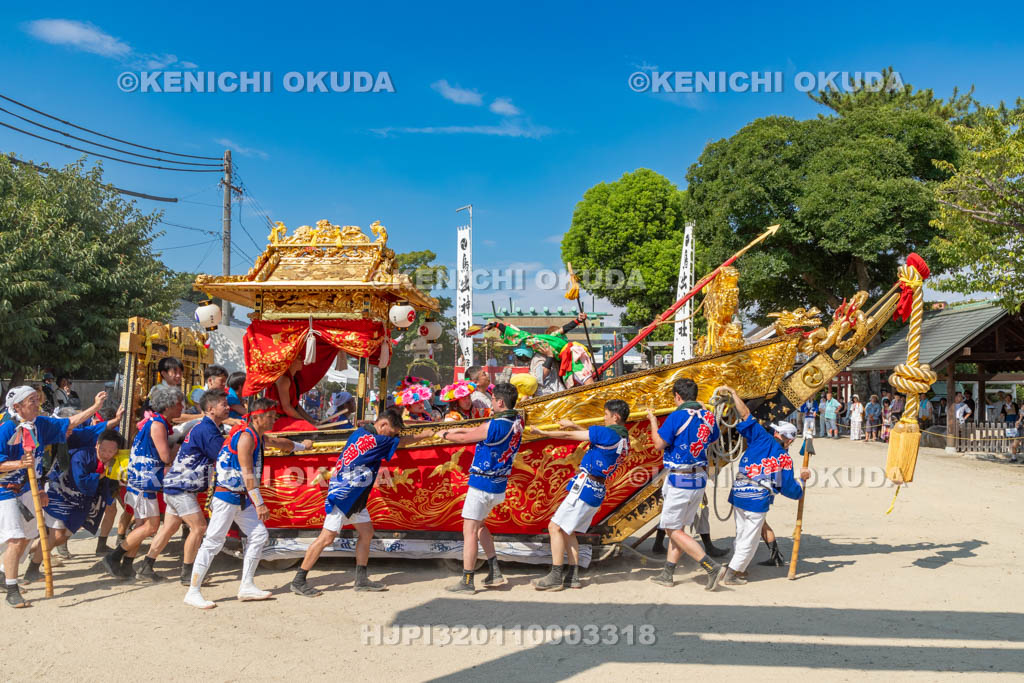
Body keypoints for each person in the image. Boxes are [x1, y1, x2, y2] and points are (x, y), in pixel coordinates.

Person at [289, 408, 436, 597]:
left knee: (366, 532)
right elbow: (402, 443)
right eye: (391, 432)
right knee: (326, 538)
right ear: (382, 425)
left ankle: (361, 579)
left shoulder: (360, 433)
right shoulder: (377, 440)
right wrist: (425, 434)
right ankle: (299, 580)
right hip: (345, 495)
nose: (392, 436)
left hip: (355, 495)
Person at [1, 386, 106, 608]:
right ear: (17, 406)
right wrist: (20, 464)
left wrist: (95, 407)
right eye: (32, 400)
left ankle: (4, 573)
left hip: (29, 487)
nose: (38, 403)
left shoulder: (39, 424)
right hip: (6, 489)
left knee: (32, 533)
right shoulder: (6, 429)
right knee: (16, 538)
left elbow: (70, 423)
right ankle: (12, 589)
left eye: (37, 399)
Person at [185, 398, 284, 609]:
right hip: (227, 496)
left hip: (240, 497)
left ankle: (247, 585)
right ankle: (193, 591)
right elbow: (248, 473)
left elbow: (278, 442)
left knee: (259, 535)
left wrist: (302, 445)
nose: (274, 419)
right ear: (258, 417)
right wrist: (259, 503)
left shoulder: (255, 434)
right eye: (270, 416)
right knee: (213, 542)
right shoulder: (246, 437)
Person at [529, 399, 631, 590]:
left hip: (585, 487)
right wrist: (574, 425)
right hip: (597, 489)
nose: (604, 417)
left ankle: (556, 575)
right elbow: (594, 437)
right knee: (568, 530)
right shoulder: (624, 439)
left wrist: (543, 433)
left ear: (615, 416)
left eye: (606, 414)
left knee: (555, 527)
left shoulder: (607, 433)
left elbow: (570, 435)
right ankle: (573, 576)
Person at [715, 386, 811, 586]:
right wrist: (802, 480)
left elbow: (745, 415)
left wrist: (734, 394)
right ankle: (732, 572)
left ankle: (737, 568)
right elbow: (789, 489)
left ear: (777, 434)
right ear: (790, 440)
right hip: (757, 498)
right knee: (749, 538)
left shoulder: (760, 437)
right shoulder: (784, 458)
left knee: (742, 533)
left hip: (739, 492)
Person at [137, 389, 229, 584]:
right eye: (224, 404)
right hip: (181, 487)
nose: (228, 407)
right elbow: (222, 455)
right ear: (211, 409)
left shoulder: (206, 427)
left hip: (175, 485)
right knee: (199, 527)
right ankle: (188, 574)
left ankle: (146, 567)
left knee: (168, 528)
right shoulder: (206, 429)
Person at [641, 378, 725, 589]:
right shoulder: (707, 416)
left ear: (677, 397)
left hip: (680, 478)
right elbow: (713, 440)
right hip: (698, 479)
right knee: (679, 528)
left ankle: (710, 566)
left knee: (672, 529)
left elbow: (659, 444)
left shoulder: (676, 416)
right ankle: (667, 573)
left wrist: (652, 421)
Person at [441, 383, 523, 594]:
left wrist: (445, 435)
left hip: (482, 485)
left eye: (493, 399)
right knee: (480, 527)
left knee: (469, 531)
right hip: (498, 485)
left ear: (500, 402)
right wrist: (456, 428)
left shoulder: (494, 425)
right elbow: (477, 430)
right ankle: (494, 569)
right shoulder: (516, 421)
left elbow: (466, 438)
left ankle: (467, 580)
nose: (491, 402)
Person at [102, 384, 183, 579]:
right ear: (169, 405)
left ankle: (128, 565)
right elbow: (165, 458)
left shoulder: (154, 421)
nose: (182, 407)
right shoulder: (157, 424)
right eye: (180, 403)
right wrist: (179, 444)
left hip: (140, 479)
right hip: (145, 480)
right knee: (151, 526)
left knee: (141, 525)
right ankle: (114, 557)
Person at [38, 429, 124, 570]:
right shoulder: (82, 455)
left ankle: (31, 550)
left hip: (82, 502)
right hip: (61, 494)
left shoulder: (113, 461)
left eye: (111, 452)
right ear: (97, 445)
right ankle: (33, 564)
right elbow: (82, 482)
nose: (106, 454)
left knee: (62, 536)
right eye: (103, 450)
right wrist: (102, 474)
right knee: (57, 536)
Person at [267, 356, 319, 432]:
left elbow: (296, 406)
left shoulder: (292, 379)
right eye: (299, 358)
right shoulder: (284, 379)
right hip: (276, 420)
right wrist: (306, 422)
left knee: (315, 426)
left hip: (285, 418)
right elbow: (287, 408)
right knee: (310, 429)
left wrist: (312, 421)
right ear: (291, 362)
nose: (302, 361)